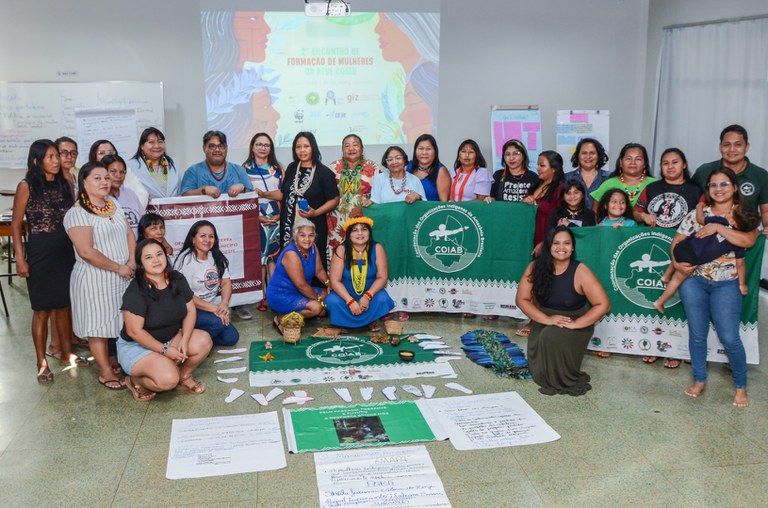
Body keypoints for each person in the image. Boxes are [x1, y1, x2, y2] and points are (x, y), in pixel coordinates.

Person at [673, 167, 760, 408]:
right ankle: (699, 379)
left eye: (724, 184)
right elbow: (677, 242)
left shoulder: (743, 214)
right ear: (708, 189)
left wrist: (719, 228)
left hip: (727, 285)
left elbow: (748, 240)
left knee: (730, 337)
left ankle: (741, 386)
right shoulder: (697, 214)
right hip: (694, 282)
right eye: (713, 185)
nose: (718, 189)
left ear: (734, 187)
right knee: (698, 334)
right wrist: (677, 265)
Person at [12, 140, 87, 383]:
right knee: (41, 310)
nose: (57, 160)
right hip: (40, 252)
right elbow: (16, 226)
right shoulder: (26, 186)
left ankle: (66, 354)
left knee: (64, 306)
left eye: (58, 156)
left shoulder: (66, 182)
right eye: (51, 157)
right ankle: (41, 362)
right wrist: (20, 259)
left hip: (65, 251)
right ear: (37, 161)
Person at [64, 162, 135, 390]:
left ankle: (115, 360)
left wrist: (131, 261)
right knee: (98, 325)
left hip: (122, 275)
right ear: (84, 182)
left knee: (118, 321)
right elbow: (86, 252)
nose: (104, 182)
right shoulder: (77, 213)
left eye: (106, 177)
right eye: (97, 178)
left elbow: (129, 234)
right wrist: (118, 267)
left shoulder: (113, 204)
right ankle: (105, 371)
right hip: (95, 279)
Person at [516, 226, 610, 396]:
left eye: (566, 243)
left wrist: (576, 324)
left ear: (573, 247)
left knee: (550, 336)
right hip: (544, 318)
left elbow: (603, 304)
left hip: (574, 321)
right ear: (549, 246)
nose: (561, 247)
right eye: (556, 243)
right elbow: (521, 299)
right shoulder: (535, 267)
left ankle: (561, 376)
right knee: (543, 338)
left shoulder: (581, 270)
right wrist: (546, 319)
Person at [633, 147, 702, 368]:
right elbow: (635, 212)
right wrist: (643, 215)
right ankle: (654, 346)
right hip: (654, 244)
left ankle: (676, 350)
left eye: (675, 162)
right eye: (665, 163)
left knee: (679, 301)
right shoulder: (652, 188)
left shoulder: (696, 191)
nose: (670, 167)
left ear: (684, 164)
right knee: (654, 298)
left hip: (684, 252)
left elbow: (704, 217)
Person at [119, 239, 212, 401]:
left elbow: (190, 310)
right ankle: (135, 381)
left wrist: (185, 339)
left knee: (203, 340)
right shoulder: (135, 291)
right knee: (168, 379)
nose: (156, 260)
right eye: (148, 257)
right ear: (141, 263)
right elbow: (134, 332)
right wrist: (165, 350)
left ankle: (184, 377)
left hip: (170, 338)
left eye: (159, 254)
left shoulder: (177, 278)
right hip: (137, 346)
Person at [655, 204, 758, 313]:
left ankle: (666, 276)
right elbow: (740, 265)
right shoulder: (738, 243)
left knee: (680, 255)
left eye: (729, 212)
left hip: (684, 245)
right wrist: (742, 284)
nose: (727, 211)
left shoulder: (721, 221)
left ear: (733, 222)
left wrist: (699, 207)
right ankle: (660, 302)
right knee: (676, 280)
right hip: (691, 258)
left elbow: (700, 219)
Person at [278, 132, 340, 269]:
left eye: (306, 146)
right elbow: (284, 194)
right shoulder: (292, 168)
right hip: (289, 225)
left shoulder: (324, 172)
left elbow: (335, 199)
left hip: (313, 225)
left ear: (313, 148)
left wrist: (316, 212)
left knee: (313, 263)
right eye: (298, 147)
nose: (302, 150)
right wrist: (262, 194)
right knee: (289, 263)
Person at [174, 221, 240, 346]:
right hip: (189, 309)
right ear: (193, 239)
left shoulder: (216, 256)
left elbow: (226, 282)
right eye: (202, 236)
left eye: (211, 236)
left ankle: (200, 338)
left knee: (231, 338)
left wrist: (224, 304)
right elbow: (185, 296)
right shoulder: (185, 261)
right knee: (217, 323)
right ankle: (188, 339)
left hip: (209, 308)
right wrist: (215, 309)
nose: (207, 240)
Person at [325, 216, 395, 332]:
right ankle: (344, 322)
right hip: (345, 295)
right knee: (332, 301)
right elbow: (335, 280)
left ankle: (371, 320)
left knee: (383, 299)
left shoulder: (377, 248)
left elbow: (382, 277)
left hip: (370, 293)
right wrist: (350, 301)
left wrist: (367, 297)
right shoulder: (341, 250)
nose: (360, 233)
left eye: (364, 229)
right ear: (349, 234)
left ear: (369, 232)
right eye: (355, 230)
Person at [692, 124, 768, 231]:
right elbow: (690, 199)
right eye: (727, 145)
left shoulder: (761, 175)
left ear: (747, 147)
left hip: (745, 233)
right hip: (705, 231)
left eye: (738, 145)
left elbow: (765, 211)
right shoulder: (704, 171)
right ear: (720, 147)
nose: (732, 149)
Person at [266, 219, 330, 330]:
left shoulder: (313, 247)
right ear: (295, 237)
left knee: (328, 294)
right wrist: (318, 300)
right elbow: (301, 285)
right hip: (282, 295)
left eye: (311, 235)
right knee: (316, 308)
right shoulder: (291, 254)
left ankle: (301, 312)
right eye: (302, 235)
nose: (307, 239)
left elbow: (319, 271)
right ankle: (281, 318)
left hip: (300, 291)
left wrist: (330, 284)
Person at [243, 132, 283, 311]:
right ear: (252, 147)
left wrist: (279, 216)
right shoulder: (244, 169)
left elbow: (284, 194)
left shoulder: (278, 168)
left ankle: (274, 295)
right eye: (259, 144)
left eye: (266, 145)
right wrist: (257, 217)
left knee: (274, 257)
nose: (262, 148)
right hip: (254, 216)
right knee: (260, 259)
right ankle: (262, 296)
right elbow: (243, 198)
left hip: (276, 215)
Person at [327, 134, 380, 262]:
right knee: (337, 255)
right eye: (347, 146)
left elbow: (379, 196)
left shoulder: (372, 167)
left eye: (355, 145)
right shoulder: (333, 167)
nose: (351, 148)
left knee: (362, 254)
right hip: (336, 222)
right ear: (342, 149)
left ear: (362, 148)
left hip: (362, 220)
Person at [181, 130, 253, 198]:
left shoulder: (239, 170)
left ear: (226, 148)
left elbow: (252, 195)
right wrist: (203, 190)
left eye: (221, 146)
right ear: (204, 148)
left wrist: (242, 188)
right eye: (212, 146)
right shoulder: (193, 171)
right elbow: (185, 195)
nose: (217, 150)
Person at [591, 142, 657, 212]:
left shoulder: (655, 184)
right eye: (628, 158)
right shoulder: (608, 184)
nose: (633, 162)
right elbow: (595, 211)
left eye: (638, 159)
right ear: (621, 162)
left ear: (644, 164)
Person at [125, 127, 182, 206]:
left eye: (160, 142)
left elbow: (179, 190)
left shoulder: (173, 162)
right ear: (142, 146)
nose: (157, 146)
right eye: (151, 142)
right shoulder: (130, 166)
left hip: (173, 210)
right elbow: (126, 192)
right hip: (145, 211)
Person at [525, 151, 565, 249]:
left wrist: (546, 242)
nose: (538, 168)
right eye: (538, 165)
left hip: (548, 243)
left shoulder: (561, 189)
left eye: (542, 165)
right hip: (528, 239)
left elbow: (560, 219)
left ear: (554, 169)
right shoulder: (534, 187)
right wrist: (524, 202)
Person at [488, 139, 539, 203]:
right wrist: (490, 199)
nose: (511, 158)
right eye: (507, 154)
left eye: (516, 154)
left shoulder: (533, 177)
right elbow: (493, 198)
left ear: (523, 156)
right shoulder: (498, 175)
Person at [103, 154, 142, 238]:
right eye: (113, 171)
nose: (119, 175)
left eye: (122, 172)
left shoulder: (130, 194)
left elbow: (142, 222)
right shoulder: (99, 198)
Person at [565, 138, 610, 209]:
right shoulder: (567, 178)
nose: (588, 156)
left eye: (592, 153)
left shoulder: (608, 178)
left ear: (598, 155)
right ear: (578, 155)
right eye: (584, 153)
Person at [407, 133, 450, 201]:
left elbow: (444, 203)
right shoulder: (407, 166)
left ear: (435, 151)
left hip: (432, 208)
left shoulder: (441, 171)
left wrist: (420, 197)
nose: (424, 152)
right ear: (415, 150)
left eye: (428, 149)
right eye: (421, 148)